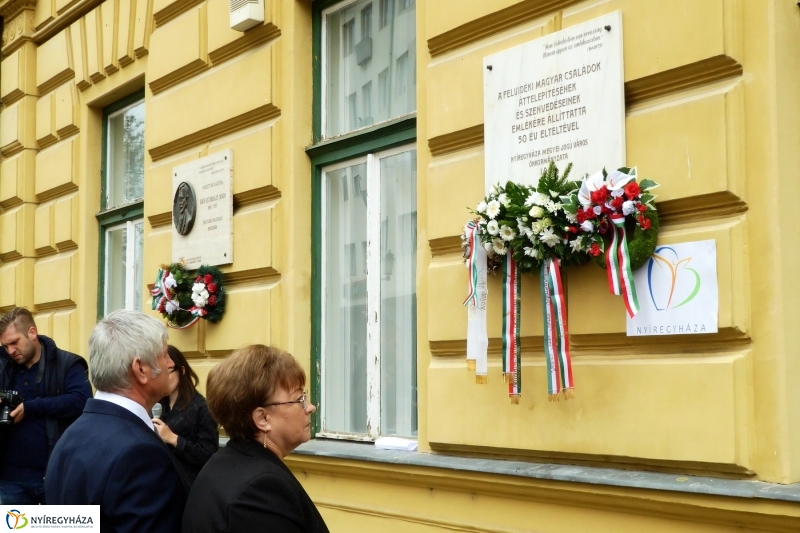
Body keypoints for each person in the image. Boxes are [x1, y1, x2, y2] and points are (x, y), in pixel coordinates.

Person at [45, 310, 188, 533]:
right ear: (141, 369)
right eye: (164, 354)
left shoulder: (72, 433)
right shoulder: (140, 454)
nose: (171, 363)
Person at [182, 344, 329, 533]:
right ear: (262, 418)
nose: (310, 407)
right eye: (299, 398)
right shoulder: (261, 487)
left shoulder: (223, 463)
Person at [0, 307, 91, 505]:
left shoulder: (67, 363)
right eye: (5, 346)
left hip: (58, 474)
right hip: (10, 479)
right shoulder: (3, 365)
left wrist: (31, 407)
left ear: (32, 333)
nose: (11, 351)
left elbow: (82, 401)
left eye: (14, 343)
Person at [153, 345, 218, 485]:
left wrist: (173, 438)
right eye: (159, 373)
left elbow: (208, 455)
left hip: (189, 488)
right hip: (162, 484)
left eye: (169, 371)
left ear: (182, 371)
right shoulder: (157, 404)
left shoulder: (201, 407)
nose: (163, 378)